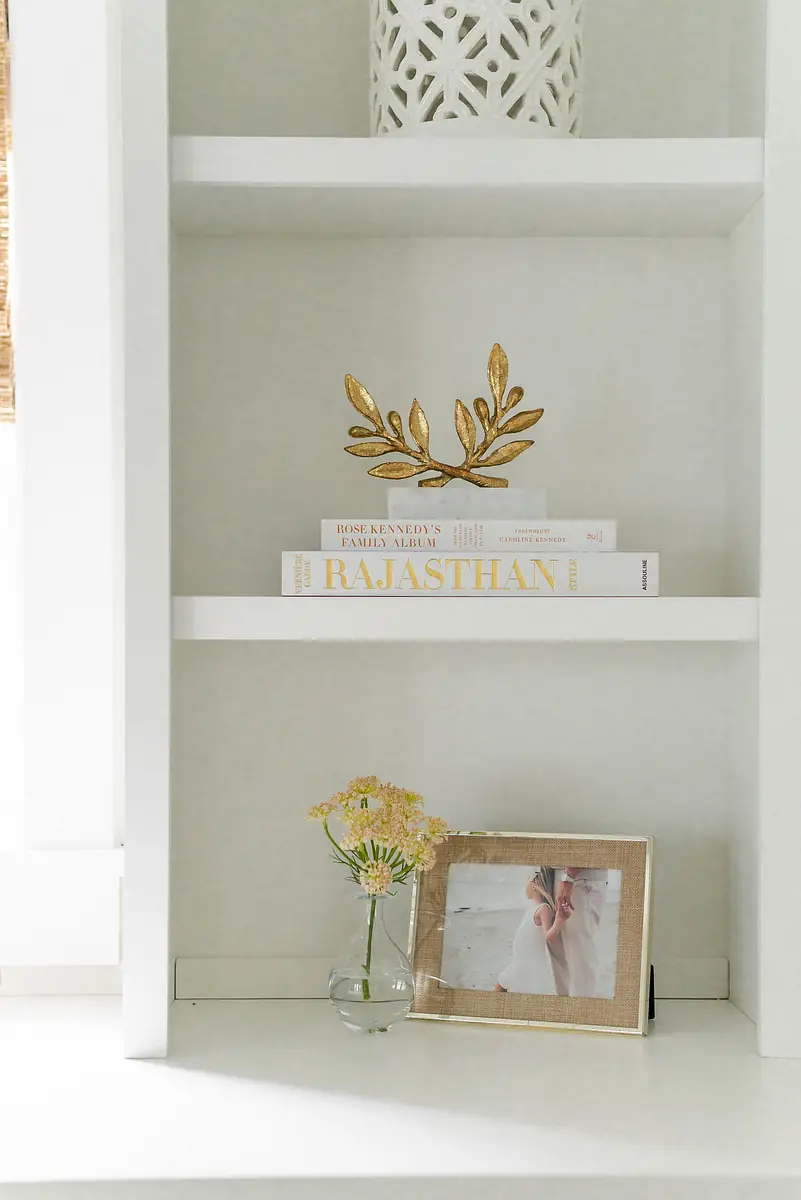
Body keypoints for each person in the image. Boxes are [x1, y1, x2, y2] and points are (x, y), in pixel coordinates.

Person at [495, 868, 571, 995]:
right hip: (520, 960)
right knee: (503, 984)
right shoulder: (532, 908)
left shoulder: (543, 909)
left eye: (527, 883)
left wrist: (559, 921)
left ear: (535, 885)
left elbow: (548, 936)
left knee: (502, 984)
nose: (526, 887)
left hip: (527, 962)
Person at [552, 867, 608, 998]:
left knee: (580, 960)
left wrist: (569, 876)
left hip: (578, 878)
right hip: (561, 877)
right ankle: (566, 1015)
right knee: (560, 963)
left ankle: (583, 1015)